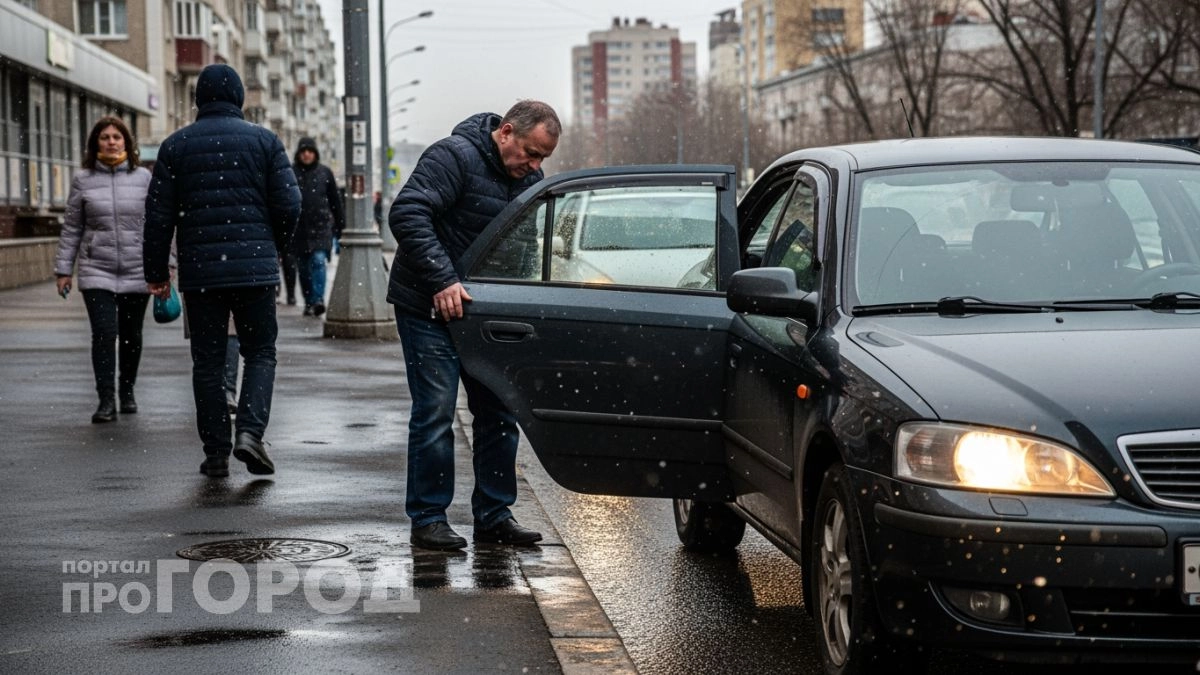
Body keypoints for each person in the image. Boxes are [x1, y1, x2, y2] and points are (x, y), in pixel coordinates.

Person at [387, 100, 560, 550]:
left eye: (542, 158)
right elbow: (407, 213)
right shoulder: (452, 157)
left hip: (485, 319)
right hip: (428, 308)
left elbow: (523, 250)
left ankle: (494, 515)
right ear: (505, 132)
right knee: (436, 410)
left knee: (499, 412)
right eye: (530, 152)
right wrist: (443, 280)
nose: (535, 165)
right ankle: (428, 518)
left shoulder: (530, 180)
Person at [143, 64, 300, 479]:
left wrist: (157, 271)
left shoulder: (175, 146)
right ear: (239, 98)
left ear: (198, 98)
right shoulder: (265, 142)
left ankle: (215, 453)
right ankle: (249, 433)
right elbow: (290, 204)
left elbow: (157, 216)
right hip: (255, 271)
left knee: (208, 363)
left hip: (201, 275)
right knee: (261, 351)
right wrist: (274, 246)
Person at [54, 116, 153, 424]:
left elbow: (158, 226)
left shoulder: (143, 179)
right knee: (104, 333)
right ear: (95, 143)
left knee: (131, 336)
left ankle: (127, 390)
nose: (111, 141)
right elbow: (72, 228)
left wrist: (166, 264)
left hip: (137, 269)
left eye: (117, 137)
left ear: (126, 142)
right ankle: (106, 399)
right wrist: (63, 269)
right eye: (105, 137)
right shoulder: (83, 179)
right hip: (97, 269)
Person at [291, 137, 344, 317]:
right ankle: (309, 302)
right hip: (298, 230)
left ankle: (318, 299)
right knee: (304, 268)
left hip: (321, 228)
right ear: (299, 154)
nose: (307, 154)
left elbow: (336, 202)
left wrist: (341, 228)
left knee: (319, 261)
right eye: (303, 151)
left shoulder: (324, 173)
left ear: (315, 153)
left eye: (310, 151)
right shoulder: (291, 173)